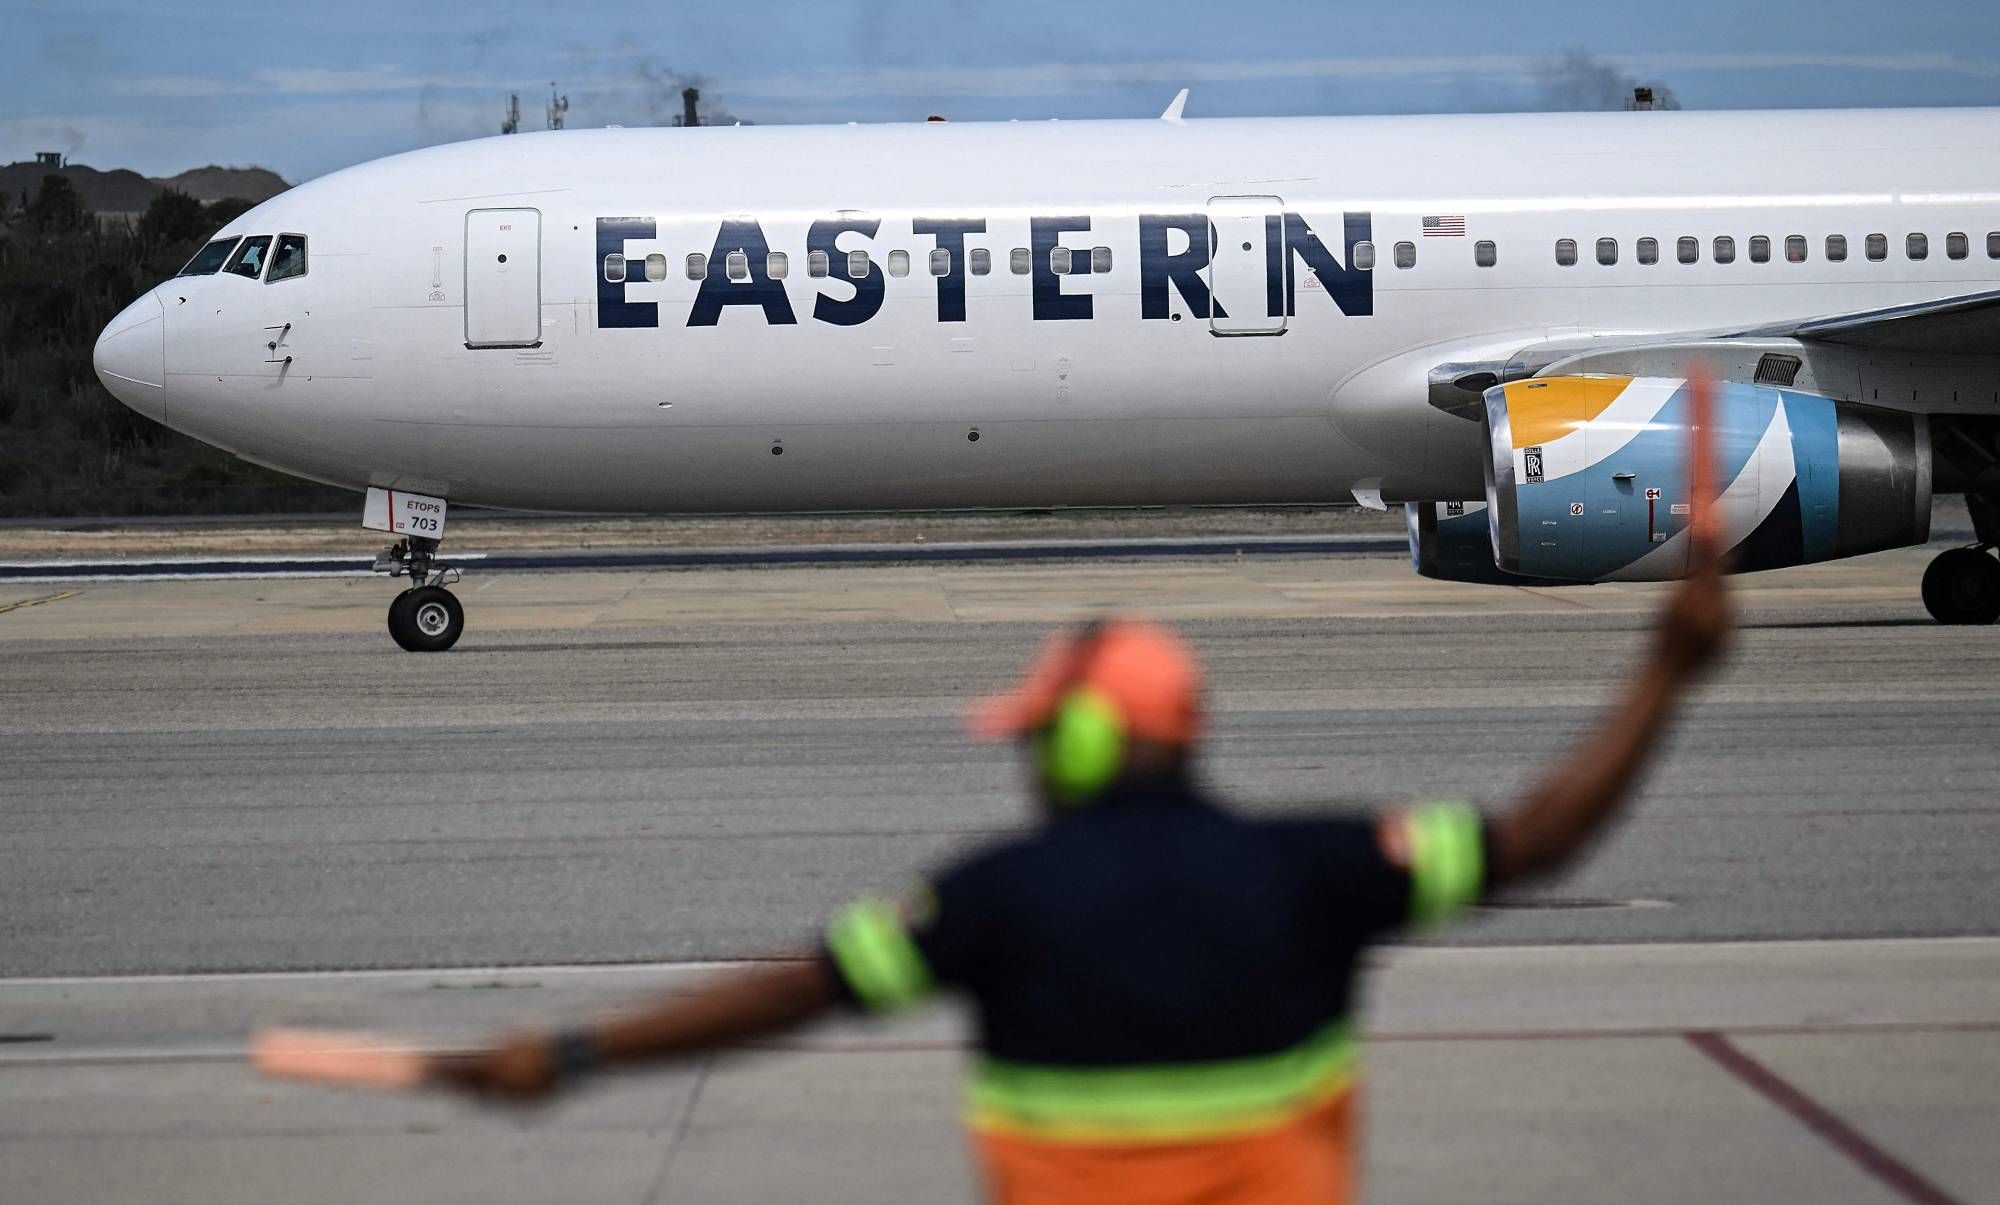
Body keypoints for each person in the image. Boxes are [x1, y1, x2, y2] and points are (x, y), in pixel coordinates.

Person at [434, 517, 1732, 1204]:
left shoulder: (995, 899)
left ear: (1079, 739)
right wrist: (1669, 669)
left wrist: (573, 1053)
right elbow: (1545, 836)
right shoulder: (1319, 869)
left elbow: (794, 993)